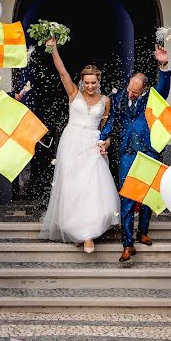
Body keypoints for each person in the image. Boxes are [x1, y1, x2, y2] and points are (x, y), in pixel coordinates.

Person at [41, 38, 119, 252]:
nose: (90, 86)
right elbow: (63, 72)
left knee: (93, 188)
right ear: (82, 81)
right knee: (74, 189)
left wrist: (107, 143)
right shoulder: (73, 93)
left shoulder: (106, 101)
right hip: (72, 143)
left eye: (94, 82)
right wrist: (53, 49)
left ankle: (88, 234)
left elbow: (107, 129)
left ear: (99, 81)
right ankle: (78, 230)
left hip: (93, 145)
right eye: (87, 82)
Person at [99, 43, 171, 262]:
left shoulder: (152, 97)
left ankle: (143, 231)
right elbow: (112, 120)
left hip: (149, 151)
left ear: (143, 89)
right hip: (127, 152)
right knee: (128, 195)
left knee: (148, 195)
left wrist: (164, 66)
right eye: (130, 87)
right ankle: (127, 243)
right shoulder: (120, 97)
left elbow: (164, 90)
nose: (131, 92)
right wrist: (102, 137)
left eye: (135, 90)